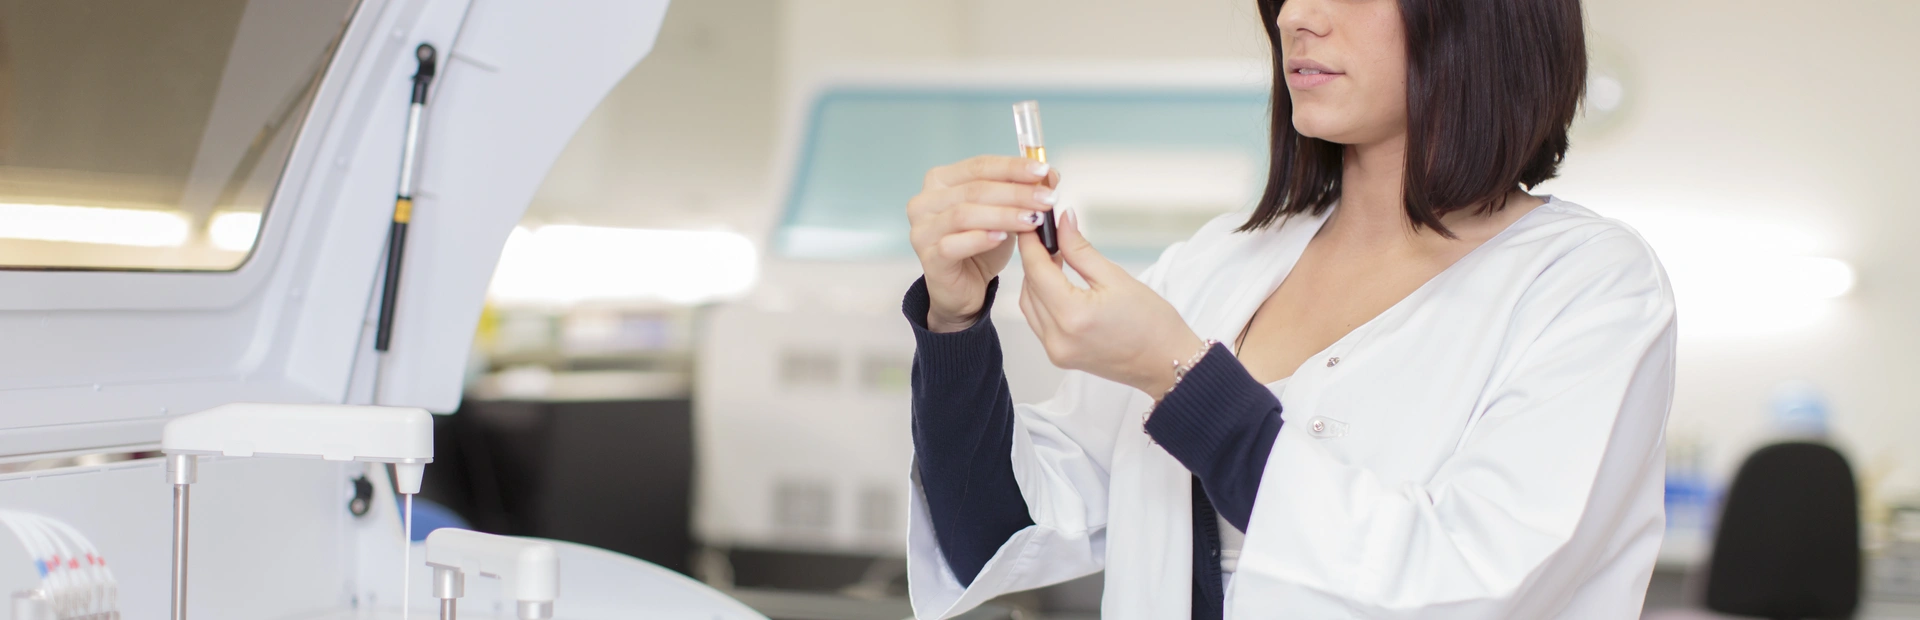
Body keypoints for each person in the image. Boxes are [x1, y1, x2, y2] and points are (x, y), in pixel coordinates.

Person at [898, 0, 1675, 618]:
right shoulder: (1215, 266)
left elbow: (1477, 587)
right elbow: (992, 533)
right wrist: (955, 323)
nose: (1294, 16)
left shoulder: (1586, 286)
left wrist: (1180, 379)